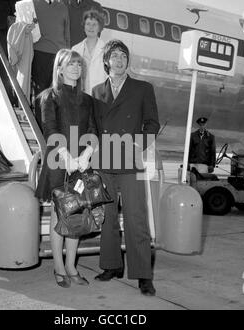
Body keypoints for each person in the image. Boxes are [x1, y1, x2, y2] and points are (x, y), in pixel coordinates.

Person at [92, 40, 160, 296]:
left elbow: (152, 124)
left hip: (131, 161)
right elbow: (94, 128)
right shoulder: (97, 91)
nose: (119, 60)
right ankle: (111, 266)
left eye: (123, 56)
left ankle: (143, 275)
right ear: (106, 61)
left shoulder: (143, 88)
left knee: (136, 219)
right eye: (114, 56)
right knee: (107, 218)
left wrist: (136, 146)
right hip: (104, 163)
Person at [35, 49, 97, 288]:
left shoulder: (87, 99)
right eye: (70, 64)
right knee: (58, 217)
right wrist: (67, 157)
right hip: (58, 162)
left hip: (80, 164)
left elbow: (92, 129)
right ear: (59, 69)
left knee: (76, 216)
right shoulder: (48, 97)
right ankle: (58, 266)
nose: (75, 68)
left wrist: (86, 155)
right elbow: (50, 129)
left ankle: (72, 266)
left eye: (78, 65)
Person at [31, 0, 70, 128]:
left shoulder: (63, 7)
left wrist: (67, 55)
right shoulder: (33, 4)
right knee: (40, 92)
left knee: (57, 93)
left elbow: (67, 34)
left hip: (59, 56)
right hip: (39, 53)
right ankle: (41, 127)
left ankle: (54, 127)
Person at [72, 9, 106, 95]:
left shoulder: (107, 50)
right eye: (88, 24)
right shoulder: (75, 49)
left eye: (94, 24)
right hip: (80, 96)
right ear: (84, 27)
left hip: (99, 97)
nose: (91, 27)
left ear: (99, 28)